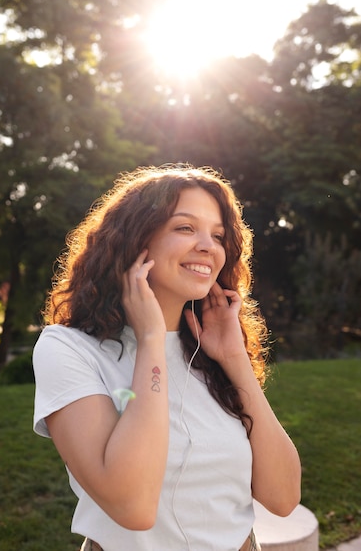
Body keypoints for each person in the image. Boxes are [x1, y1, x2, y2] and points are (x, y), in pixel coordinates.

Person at [33, 163, 301, 551]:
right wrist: (151, 338)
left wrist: (234, 360)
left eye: (219, 235)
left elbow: (283, 497)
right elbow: (134, 507)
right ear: (135, 239)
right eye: (185, 228)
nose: (208, 246)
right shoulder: (68, 349)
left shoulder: (211, 352)